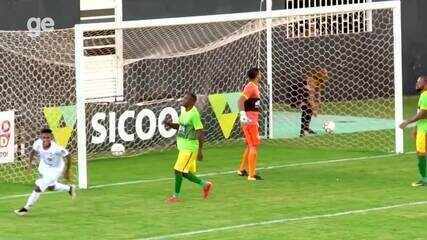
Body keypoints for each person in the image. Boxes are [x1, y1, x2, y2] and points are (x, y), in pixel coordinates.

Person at [164, 93, 213, 203]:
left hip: (190, 148)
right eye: (184, 97)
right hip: (183, 147)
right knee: (184, 172)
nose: (183, 99)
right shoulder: (184, 111)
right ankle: (205, 184)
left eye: (186, 98)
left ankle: (175, 197)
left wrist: (200, 151)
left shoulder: (194, 114)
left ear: (192, 102)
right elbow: (181, 126)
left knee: (177, 170)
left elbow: (200, 132)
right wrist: (170, 124)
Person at [14, 128, 76, 216]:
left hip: (56, 169)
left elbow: (68, 156)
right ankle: (69, 188)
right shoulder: (38, 143)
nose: (46, 139)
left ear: (51, 138)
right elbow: (32, 152)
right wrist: (29, 165)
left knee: (39, 187)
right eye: (44, 137)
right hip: (45, 166)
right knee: (51, 187)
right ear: (41, 137)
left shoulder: (56, 148)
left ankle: (25, 208)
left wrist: (67, 171)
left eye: (48, 137)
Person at [400, 75, 427, 187]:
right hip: (421, 129)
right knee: (421, 153)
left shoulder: (425, 95)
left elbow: (423, 114)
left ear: (425, 84)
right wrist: (416, 129)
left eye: (418, 82)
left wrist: (408, 121)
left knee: (422, 154)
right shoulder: (423, 95)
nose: (416, 84)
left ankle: (425, 179)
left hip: (425, 130)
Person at [237, 67, 263, 181]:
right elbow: (240, 101)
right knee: (253, 145)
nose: (261, 75)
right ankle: (251, 175)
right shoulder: (251, 87)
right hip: (249, 121)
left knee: (249, 145)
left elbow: (253, 105)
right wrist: (243, 116)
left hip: (252, 120)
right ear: (257, 75)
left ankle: (241, 169)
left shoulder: (254, 87)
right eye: (260, 74)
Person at [298, 67, 329, 137]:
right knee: (306, 109)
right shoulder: (311, 81)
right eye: (324, 75)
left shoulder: (319, 82)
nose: (325, 78)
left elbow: (318, 95)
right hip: (300, 94)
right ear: (320, 75)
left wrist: (317, 105)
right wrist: (314, 109)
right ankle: (302, 131)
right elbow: (310, 97)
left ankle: (306, 128)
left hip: (307, 95)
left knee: (309, 111)